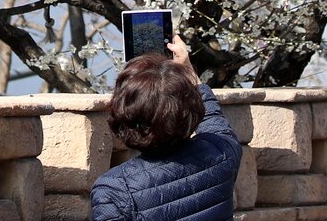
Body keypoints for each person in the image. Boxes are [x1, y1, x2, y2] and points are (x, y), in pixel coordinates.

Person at [91, 34, 242, 221]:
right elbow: (214, 120)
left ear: (123, 117)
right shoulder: (221, 152)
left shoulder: (114, 190)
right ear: (193, 108)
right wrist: (189, 72)